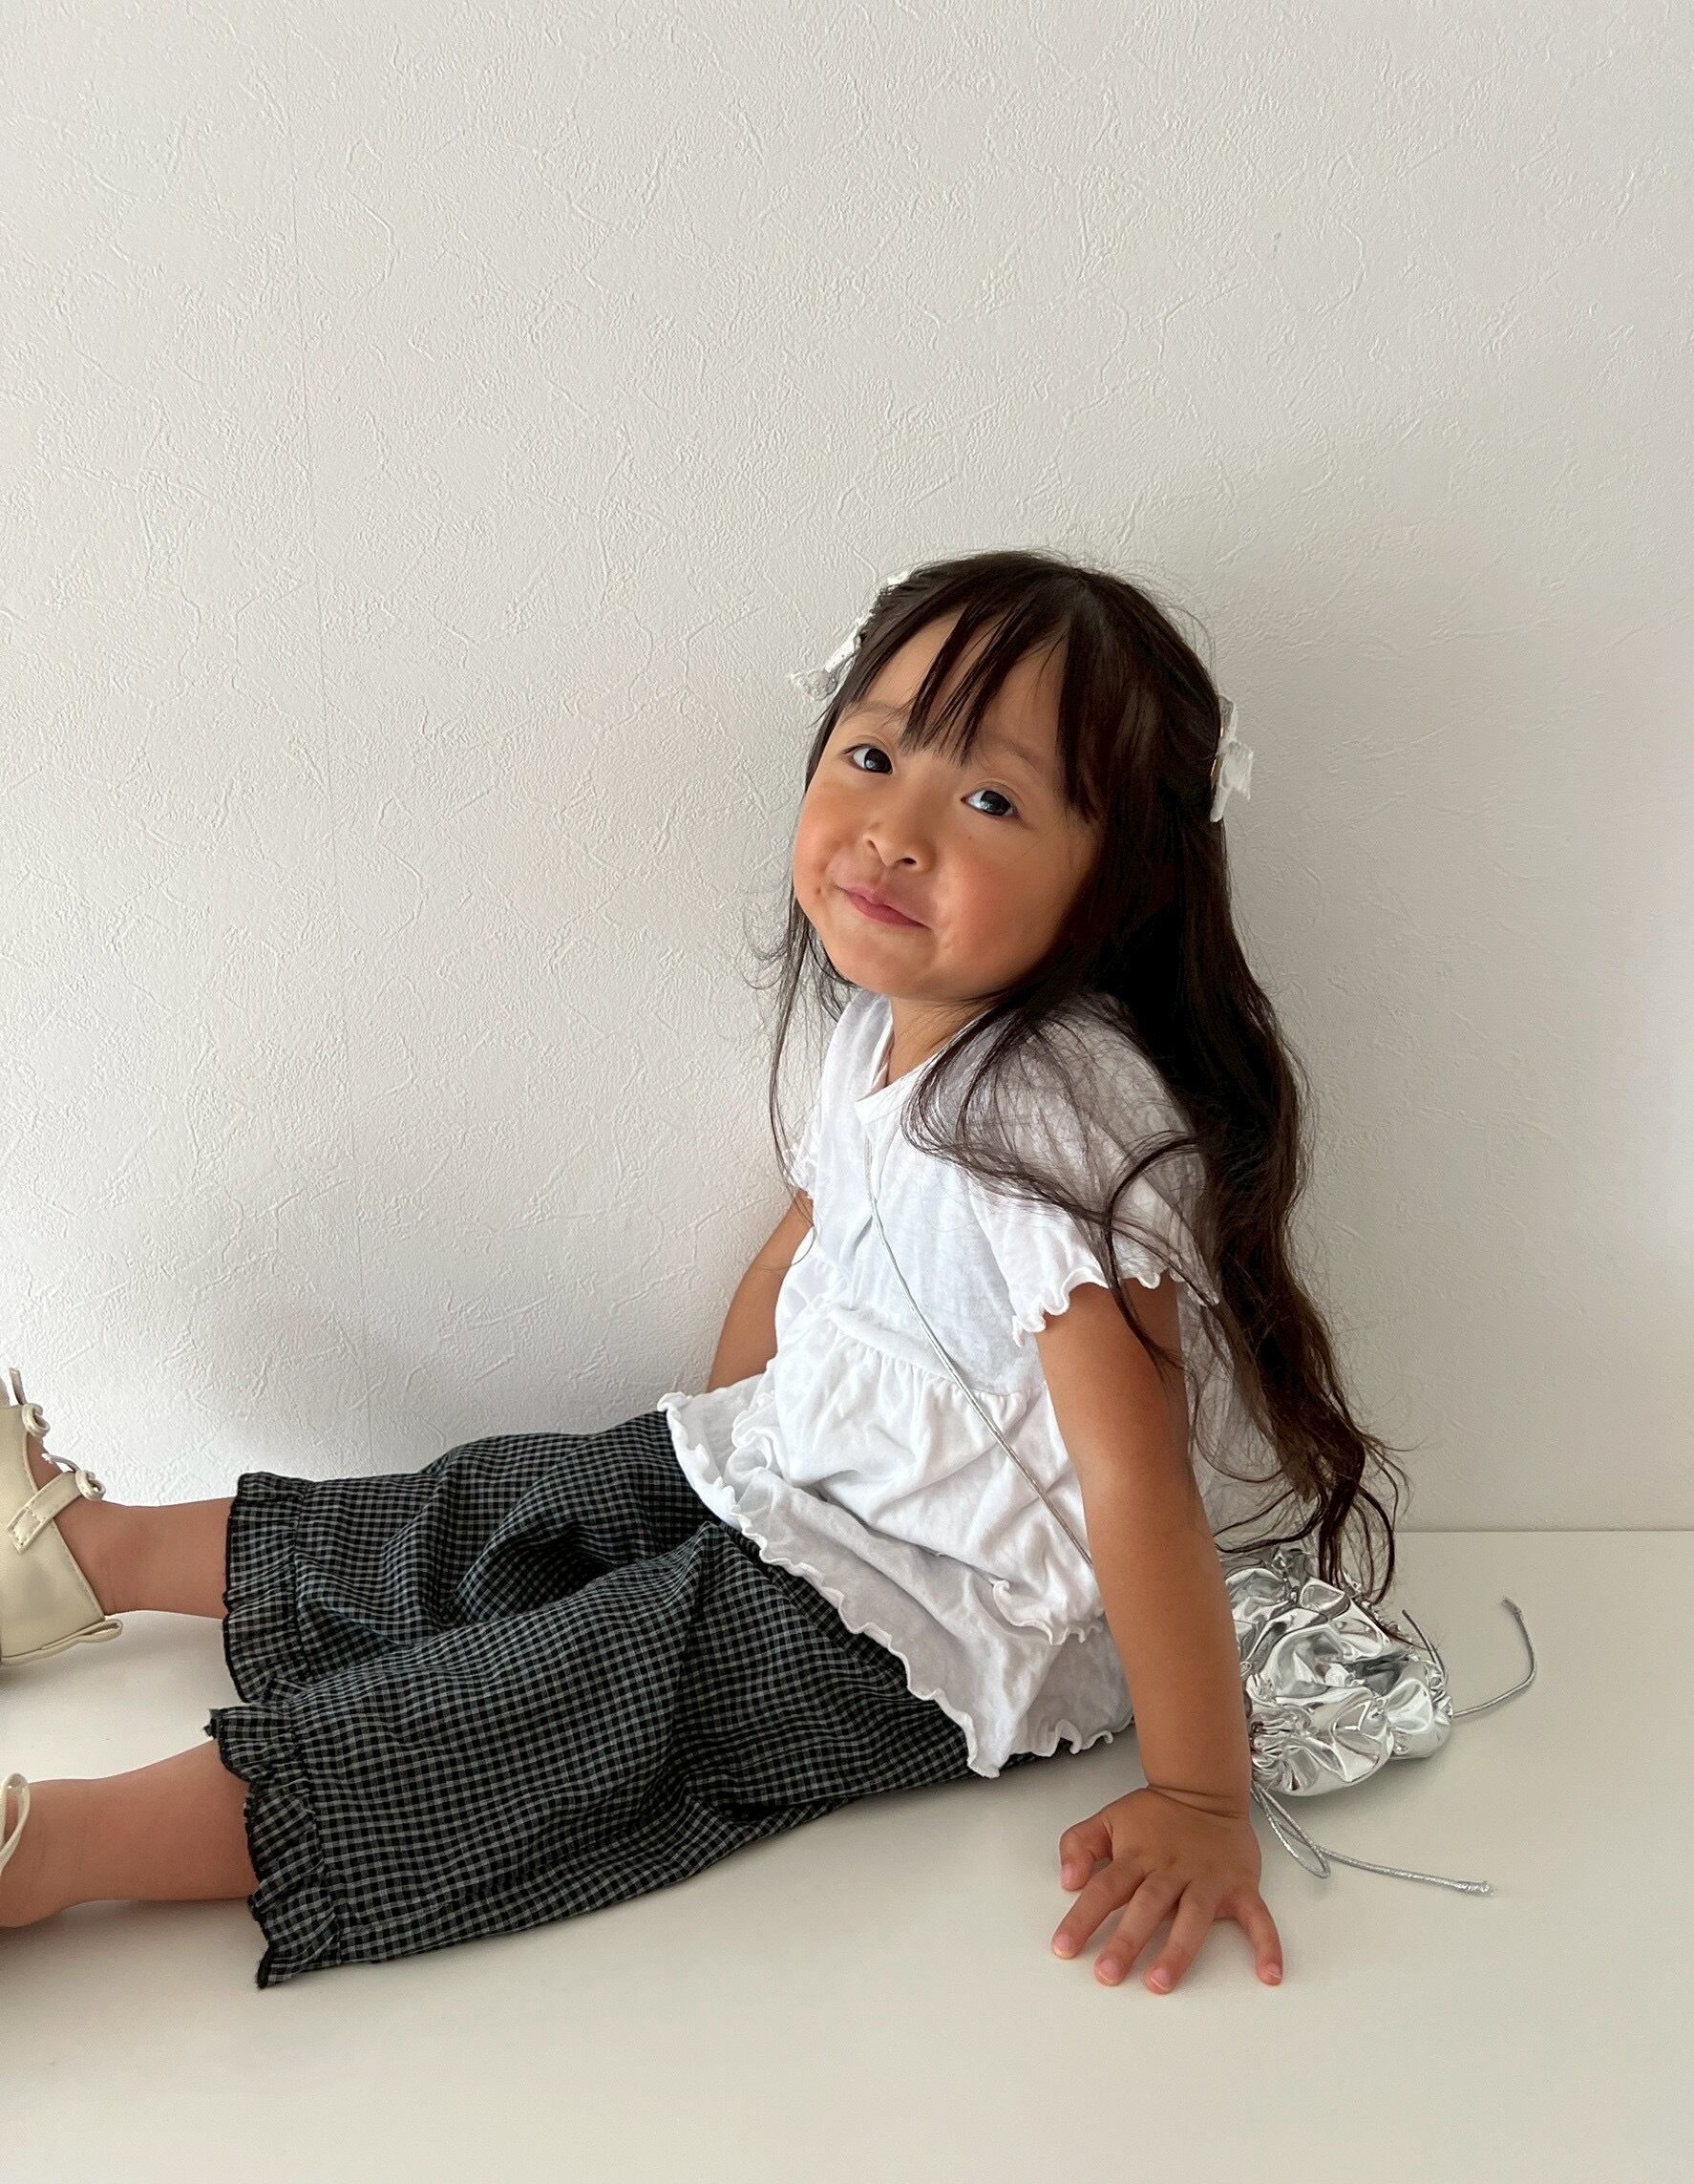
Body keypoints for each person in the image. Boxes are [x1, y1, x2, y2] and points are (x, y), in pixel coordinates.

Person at [1, 547, 1406, 1995]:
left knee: (550, 1702)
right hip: (810, 1480)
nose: (894, 832)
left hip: (936, 1615)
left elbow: (1134, 1477)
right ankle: (73, 1556)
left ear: (1119, 881)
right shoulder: (885, 1024)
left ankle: (54, 1849)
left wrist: (1198, 1796)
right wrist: (704, 1463)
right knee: (504, 1507)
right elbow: (807, 1242)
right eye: (872, 756)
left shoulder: (1055, 1120)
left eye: (990, 801)